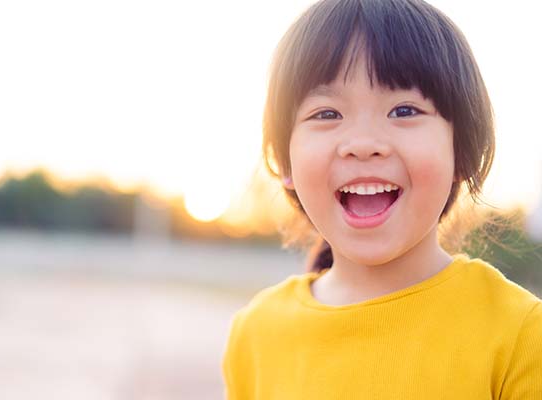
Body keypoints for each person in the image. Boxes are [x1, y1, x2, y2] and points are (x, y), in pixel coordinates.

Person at [221, 0, 542, 398]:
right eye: (326, 114)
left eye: (404, 109)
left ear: (462, 152)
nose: (363, 144)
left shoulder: (521, 337)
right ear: (283, 160)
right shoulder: (255, 334)